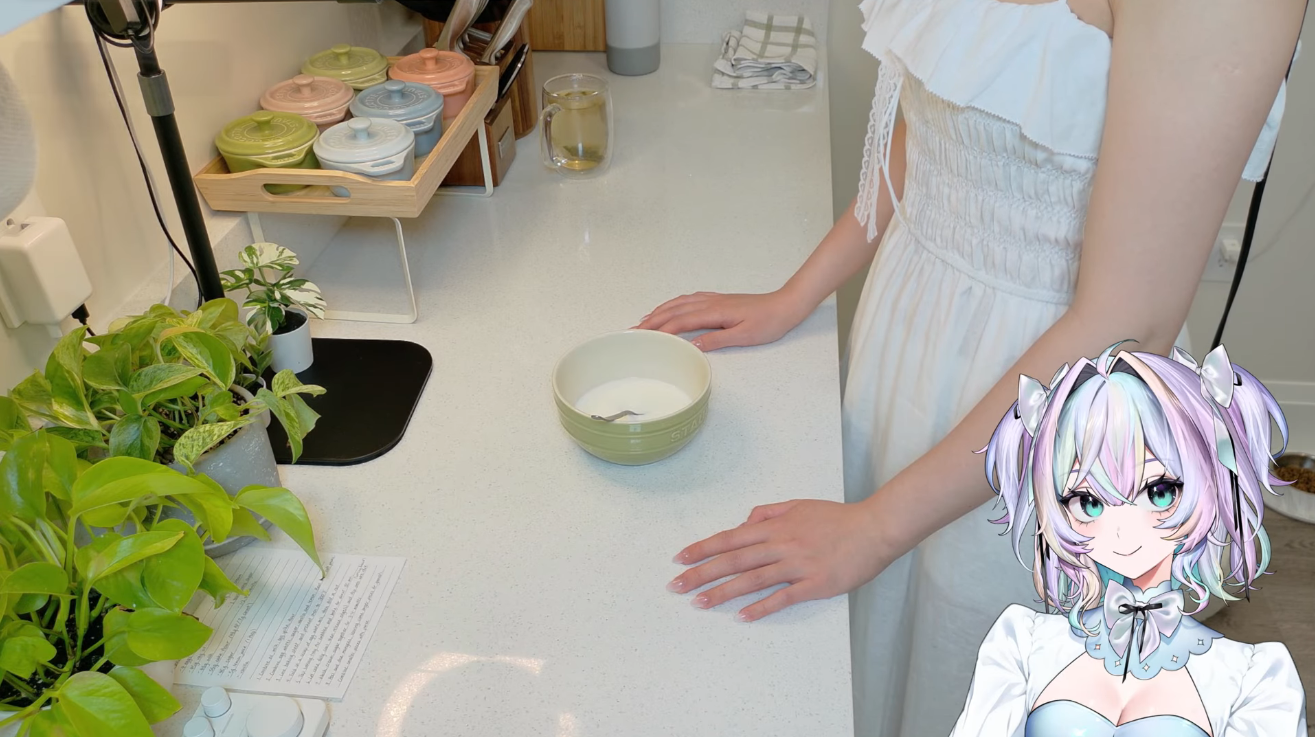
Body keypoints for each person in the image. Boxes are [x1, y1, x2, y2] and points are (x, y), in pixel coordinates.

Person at [638, 1, 1306, 735]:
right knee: (881, 657)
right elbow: (940, 123)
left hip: (1051, 423)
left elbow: (1130, 321)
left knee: (970, 673)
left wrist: (874, 527)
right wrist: (795, 295)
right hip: (908, 351)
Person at [953, 343, 1306, 735]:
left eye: (1159, 492)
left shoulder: (1254, 679)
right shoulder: (1021, 644)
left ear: (1212, 483)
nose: (1122, 530)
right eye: (1088, 502)